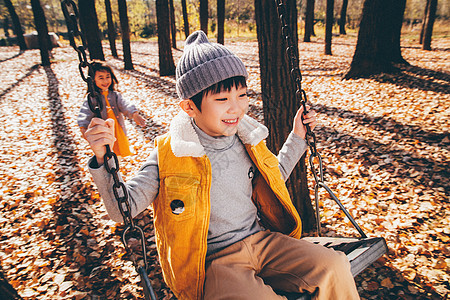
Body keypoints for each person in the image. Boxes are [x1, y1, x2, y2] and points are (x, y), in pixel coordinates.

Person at [85, 31, 359, 299]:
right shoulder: (169, 154)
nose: (237, 108)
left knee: (333, 266)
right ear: (189, 107)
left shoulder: (246, 138)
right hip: (216, 262)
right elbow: (123, 210)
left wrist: (298, 137)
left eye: (242, 95)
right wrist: (102, 158)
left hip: (262, 242)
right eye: (222, 99)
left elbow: (274, 175)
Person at [77, 60, 146, 157]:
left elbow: (125, 104)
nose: (105, 81)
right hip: (103, 133)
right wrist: (84, 129)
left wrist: (134, 114)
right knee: (107, 155)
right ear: (93, 80)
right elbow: (85, 114)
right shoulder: (92, 99)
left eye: (107, 77)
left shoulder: (115, 95)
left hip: (117, 131)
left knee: (118, 155)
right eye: (101, 78)